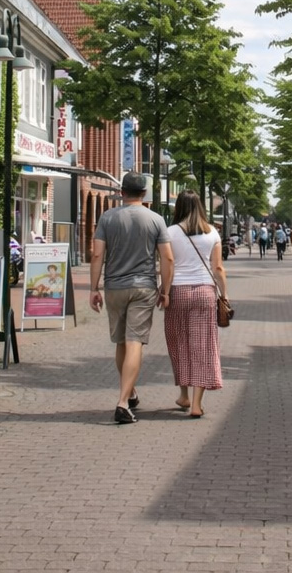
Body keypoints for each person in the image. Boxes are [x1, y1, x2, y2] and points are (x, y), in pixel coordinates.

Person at [89, 171, 173, 425]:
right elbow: (168, 258)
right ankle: (124, 401)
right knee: (135, 342)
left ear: (122, 192)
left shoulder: (107, 218)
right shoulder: (156, 220)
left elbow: (96, 256)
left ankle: (130, 393)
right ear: (144, 194)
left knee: (121, 343)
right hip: (143, 287)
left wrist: (94, 288)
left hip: (114, 287)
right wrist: (165, 290)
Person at [163, 190, 225, 418]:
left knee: (179, 343)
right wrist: (224, 295)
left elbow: (167, 264)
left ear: (178, 207)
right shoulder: (213, 233)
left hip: (178, 291)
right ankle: (197, 404)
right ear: (200, 207)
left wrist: (165, 292)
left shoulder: (169, 232)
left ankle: (184, 395)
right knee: (203, 346)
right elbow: (218, 268)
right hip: (205, 292)